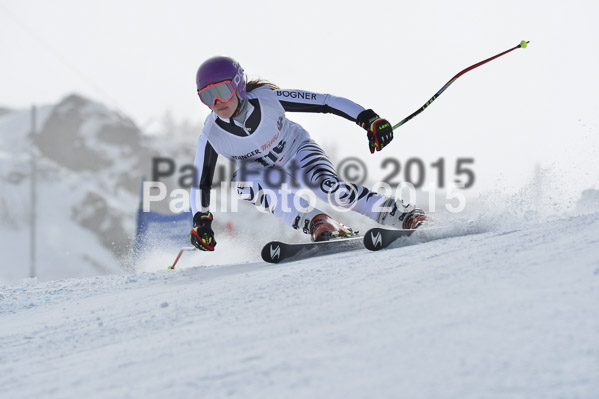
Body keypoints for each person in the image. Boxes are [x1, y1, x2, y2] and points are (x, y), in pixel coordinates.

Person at [189, 56, 426, 252]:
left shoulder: (267, 99)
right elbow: (200, 180)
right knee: (241, 182)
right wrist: (200, 220)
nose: (217, 102)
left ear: (239, 84)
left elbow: (325, 102)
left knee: (330, 190)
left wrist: (368, 119)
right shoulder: (211, 134)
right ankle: (320, 223)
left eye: (222, 91)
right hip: (266, 174)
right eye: (207, 96)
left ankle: (402, 215)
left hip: (298, 152)